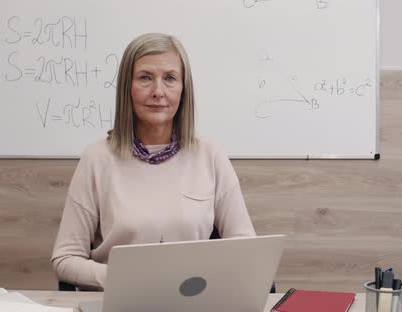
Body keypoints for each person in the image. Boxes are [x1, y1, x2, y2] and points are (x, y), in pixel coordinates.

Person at [51, 33, 256, 290]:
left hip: (194, 301)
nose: (158, 91)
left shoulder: (209, 154)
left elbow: (247, 249)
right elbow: (65, 258)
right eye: (145, 77)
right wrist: (122, 279)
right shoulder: (97, 158)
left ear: (183, 88)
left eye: (170, 78)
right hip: (120, 302)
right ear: (128, 87)